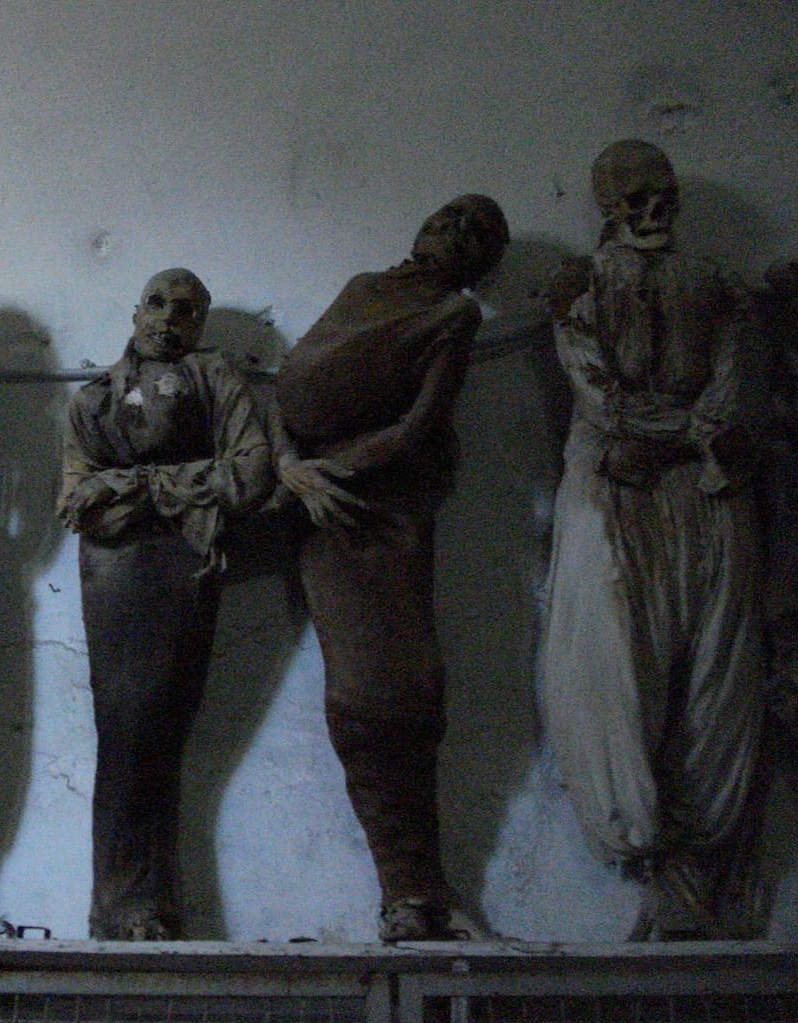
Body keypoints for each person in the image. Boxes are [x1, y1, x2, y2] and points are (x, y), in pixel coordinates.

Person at [539, 140, 763, 939]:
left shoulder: (716, 285)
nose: (654, 211)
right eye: (635, 199)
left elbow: (728, 388)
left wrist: (685, 439)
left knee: (717, 664)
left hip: (702, 491)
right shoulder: (582, 287)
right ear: (609, 206)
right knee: (614, 662)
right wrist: (678, 435)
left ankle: (693, 876)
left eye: (664, 195)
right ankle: (642, 845)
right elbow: (597, 395)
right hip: (614, 492)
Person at [273, 195, 509, 941]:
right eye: (449, 216)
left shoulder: (453, 314)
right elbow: (287, 383)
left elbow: (419, 425)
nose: (454, 231)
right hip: (319, 508)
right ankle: (407, 890)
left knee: (397, 694)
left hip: (377, 510)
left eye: (476, 232)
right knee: (358, 695)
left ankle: (415, 891)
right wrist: (290, 466)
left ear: (484, 263)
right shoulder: (362, 289)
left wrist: (331, 471)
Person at [59, 268, 273, 940]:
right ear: (135, 311)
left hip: (185, 565)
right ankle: (123, 904)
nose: (168, 320)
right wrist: (180, 490)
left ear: (201, 322)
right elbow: (78, 501)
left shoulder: (216, 379)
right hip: (115, 573)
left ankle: (145, 901)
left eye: (185, 310)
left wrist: (140, 487)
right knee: (125, 730)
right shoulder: (94, 398)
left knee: (160, 729)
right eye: (156, 304)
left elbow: (251, 475)